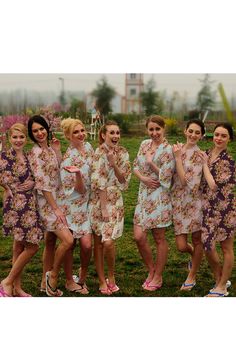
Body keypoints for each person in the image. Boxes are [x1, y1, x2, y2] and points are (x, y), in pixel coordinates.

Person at [27, 115, 74, 297]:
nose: (39, 133)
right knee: (68, 240)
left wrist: (58, 151)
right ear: (32, 134)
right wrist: (55, 208)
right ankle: (52, 276)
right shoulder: (35, 153)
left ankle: (42, 283)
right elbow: (43, 184)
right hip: (47, 202)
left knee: (50, 241)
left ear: (47, 128)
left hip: (58, 198)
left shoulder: (49, 149)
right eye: (35, 131)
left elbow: (59, 170)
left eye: (41, 129)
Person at [0, 123, 44, 297]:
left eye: (21, 137)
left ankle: (16, 289)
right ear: (10, 138)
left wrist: (33, 182)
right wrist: (5, 186)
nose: (18, 140)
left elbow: (35, 177)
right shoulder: (5, 156)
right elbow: (5, 178)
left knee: (19, 246)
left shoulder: (27, 156)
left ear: (26, 139)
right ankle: (8, 281)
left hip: (29, 204)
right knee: (32, 247)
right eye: (15, 137)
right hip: (16, 206)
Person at [133, 115, 175, 291]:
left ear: (163, 129)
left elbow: (168, 177)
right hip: (143, 196)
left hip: (159, 197)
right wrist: (142, 177)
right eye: (151, 129)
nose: (154, 133)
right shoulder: (144, 144)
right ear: (147, 130)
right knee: (139, 237)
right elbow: (135, 165)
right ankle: (151, 269)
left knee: (159, 238)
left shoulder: (169, 149)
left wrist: (151, 163)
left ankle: (158, 276)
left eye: (158, 129)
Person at [90, 121, 131, 295]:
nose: (115, 136)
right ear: (103, 135)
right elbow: (98, 182)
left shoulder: (123, 153)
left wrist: (114, 164)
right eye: (112, 133)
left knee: (108, 242)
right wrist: (104, 209)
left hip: (116, 201)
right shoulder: (98, 153)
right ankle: (101, 280)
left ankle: (111, 276)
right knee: (99, 243)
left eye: (117, 133)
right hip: (99, 201)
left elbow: (124, 181)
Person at [58, 118, 93, 294]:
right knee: (71, 245)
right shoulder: (67, 160)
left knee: (87, 245)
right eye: (76, 132)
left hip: (89, 203)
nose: (80, 134)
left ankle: (82, 276)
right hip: (73, 206)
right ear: (68, 136)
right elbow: (77, 190)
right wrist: (78, 173)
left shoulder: (88, 147)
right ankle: (69, 280)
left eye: (82, 130)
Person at [201, 123, 236, 297]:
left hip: (225, 209)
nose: (219, 138)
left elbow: (214, 185)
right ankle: (220, 279)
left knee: (226, 247)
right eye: (216, 134)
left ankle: (222, 287)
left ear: (229, 138)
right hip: (208, 208)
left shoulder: (228, 161)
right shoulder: (206, 154)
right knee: (207, 245)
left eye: (223, 135)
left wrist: (204, 165)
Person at [171, 119, 205, 291]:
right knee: (181, 246)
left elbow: (186, 182)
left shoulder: (200, 156)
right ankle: (194, 255)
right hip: (177, 202)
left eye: (197, 132)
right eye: (190, 131)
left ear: (202, 135)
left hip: (194, 202)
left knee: (197, 239)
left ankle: (192, 276)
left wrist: (177, 158)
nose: (193, 135)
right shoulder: (177, 149)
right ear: (185, 131)